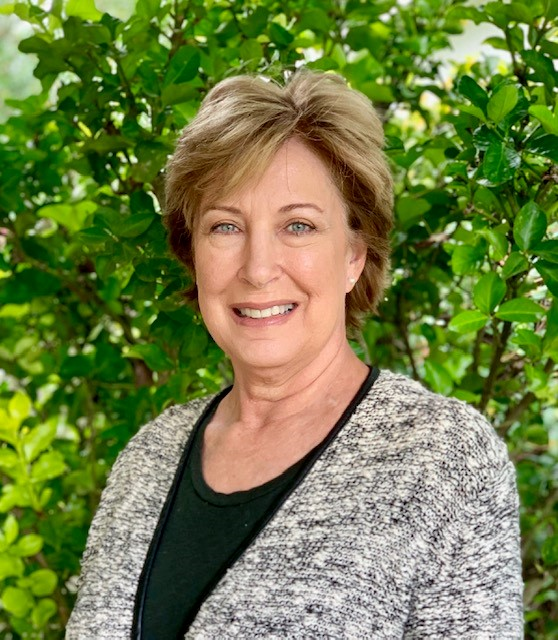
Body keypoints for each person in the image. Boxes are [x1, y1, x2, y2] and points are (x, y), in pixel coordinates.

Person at [66, 71, 523, 639]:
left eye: (299, 226)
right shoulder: (147, 460)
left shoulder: (441, 460)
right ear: (194, 254)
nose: (258, 268)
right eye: (226, 226)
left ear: (355, 255)